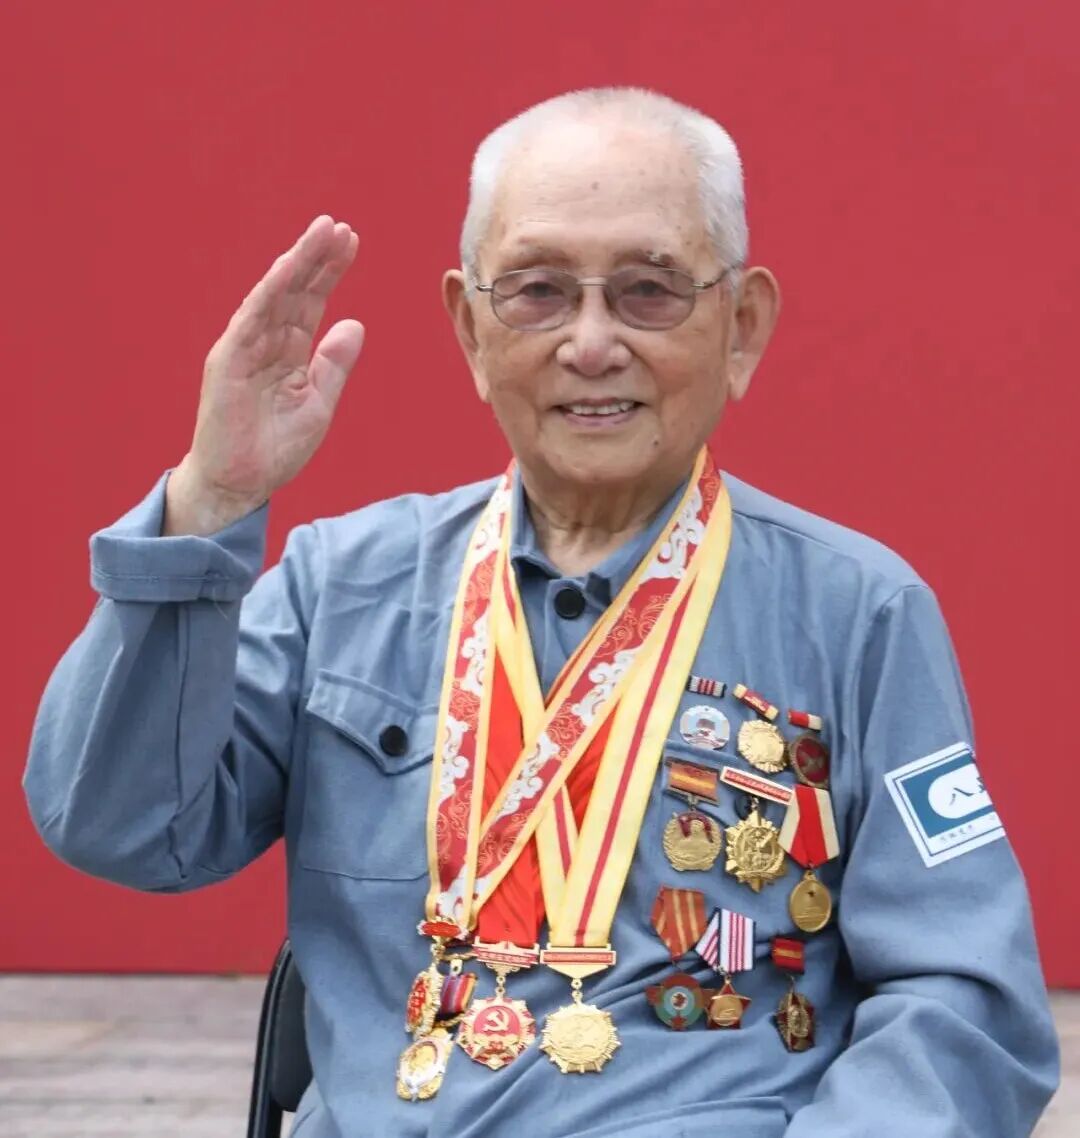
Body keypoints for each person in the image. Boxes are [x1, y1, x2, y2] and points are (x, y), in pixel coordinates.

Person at [24, 87, 1059, 1137]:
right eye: (538, 292)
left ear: (741, 326)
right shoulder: (339, 586)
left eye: (649, 291)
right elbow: (122, 828)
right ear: (471, 330)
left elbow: (965, 1004)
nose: (592, 343)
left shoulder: (860, 615)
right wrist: (209, 503)